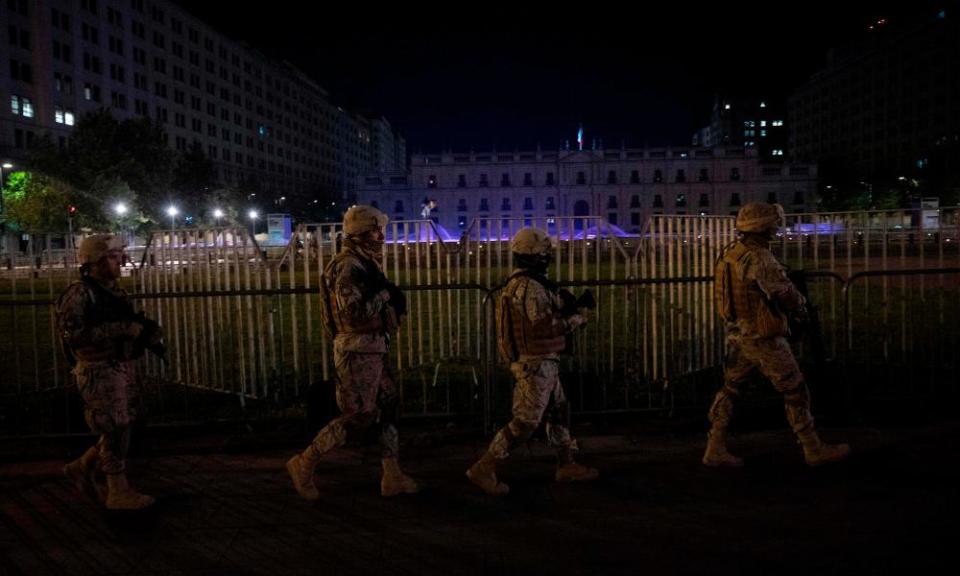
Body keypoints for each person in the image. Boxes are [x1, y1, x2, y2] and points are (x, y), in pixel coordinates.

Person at [287, 205, 419, 500]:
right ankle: (304, 463)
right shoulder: (347, 266)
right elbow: (354, 313)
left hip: (372, 348)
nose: (381, 236)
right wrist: (386, 293)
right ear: (360, 234)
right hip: (356, 351)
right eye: (375, 230)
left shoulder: (363, 263)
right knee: (358, 416)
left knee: (388, 404)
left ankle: (392, 474)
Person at [706, 202, 850, 468]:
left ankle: (714, 446)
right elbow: (785, 295)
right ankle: (813, 447)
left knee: (730, 389)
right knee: (795, 389)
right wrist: (801, 306)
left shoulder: (731, 253)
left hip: (739, 335)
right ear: (762, 226)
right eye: (772, 223)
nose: (776, 227)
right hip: (763, 338)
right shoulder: (759, 258)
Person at [466, 227, 599, 495]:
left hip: (541, 361)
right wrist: (574, 320)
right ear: (532, 256)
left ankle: (567, 463)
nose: (547, 258)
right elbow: (541, 327)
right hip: (535, 363)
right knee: (526, 422)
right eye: (543, 253)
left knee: (558, 410)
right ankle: (484, 467)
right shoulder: (529, 287)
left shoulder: (524, 283)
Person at [58, 234, 164, 510]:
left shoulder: (112, 291)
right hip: (98, 370)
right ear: (95, 261)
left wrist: (144, 335)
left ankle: (82, 467)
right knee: (116, 428)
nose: (123, 261)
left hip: (119, 365)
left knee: (123, 425)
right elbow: (74, 335)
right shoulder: (79, 293)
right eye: (115, 257)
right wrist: (122, 330)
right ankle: (117, 491)